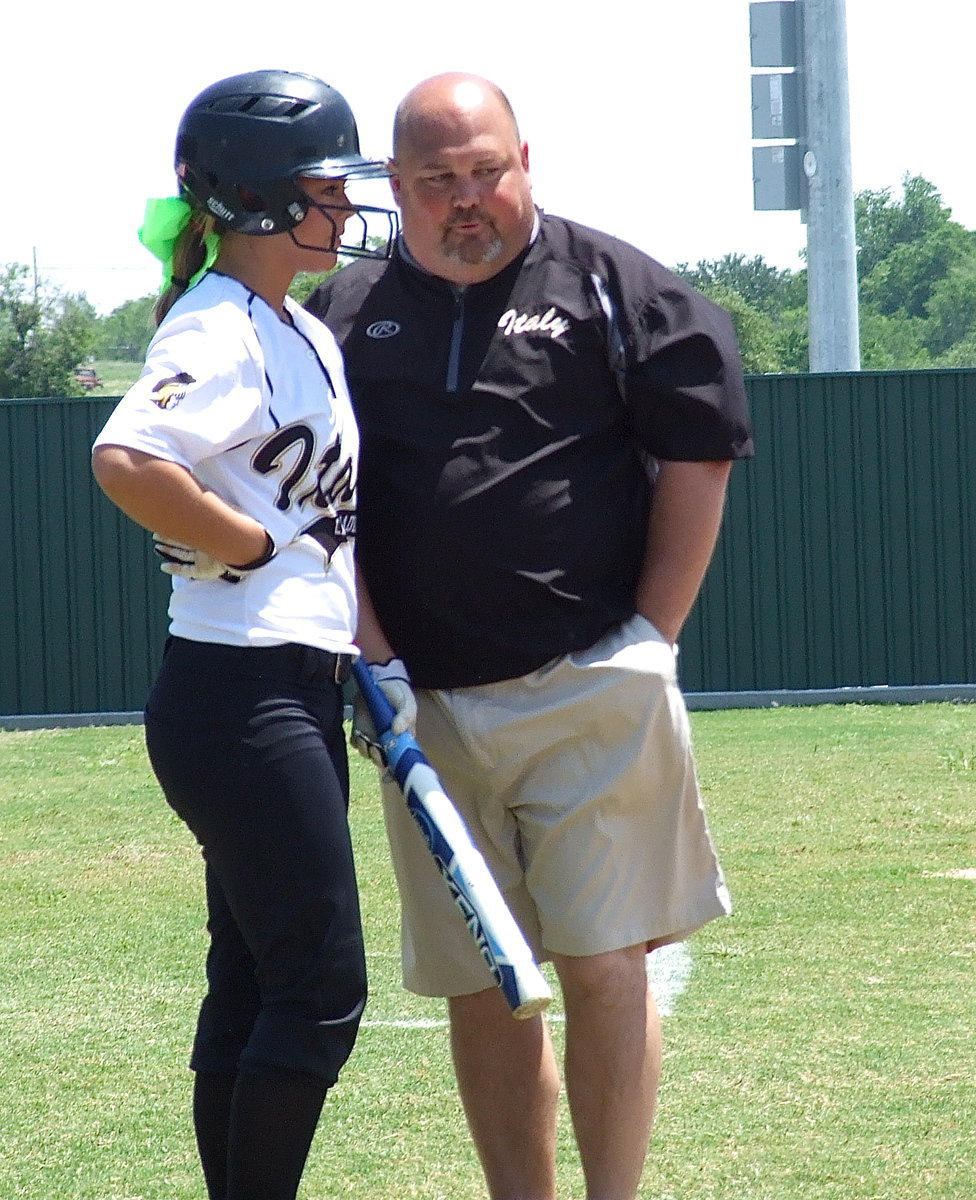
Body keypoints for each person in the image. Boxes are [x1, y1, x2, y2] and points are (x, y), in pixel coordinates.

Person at [306, 71, 754, 1200]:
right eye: (437, 179)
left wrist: (650, 635)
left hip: (590, 684)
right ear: (393, 187)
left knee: (605, 968)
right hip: (425, 710)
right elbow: (320, 503)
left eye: (486, 171)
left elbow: (698, 456)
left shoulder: (617, 287)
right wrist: (374, 661)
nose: (468, 199)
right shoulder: (342, 315)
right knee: (487, 982)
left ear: (525, 160)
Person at [91, 69, 408, 1200]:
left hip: (284, 683)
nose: (347, 204)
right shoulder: (220, 322)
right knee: (319, 988)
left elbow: (327, 527)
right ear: (264, 200)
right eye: (327, 184)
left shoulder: (299, 332)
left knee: (255, 982)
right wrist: (244, 541)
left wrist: (368, 656)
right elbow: (128, 459)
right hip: (239, 696)